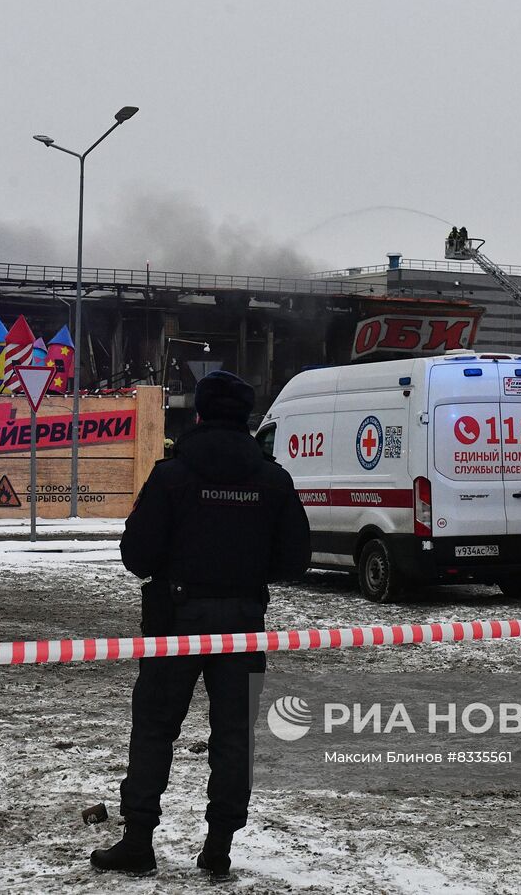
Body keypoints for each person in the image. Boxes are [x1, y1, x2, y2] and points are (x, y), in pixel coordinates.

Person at [92, 370, 310, 880]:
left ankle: (139, 841)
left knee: (153, 731)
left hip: (175, 620)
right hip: (243, 622)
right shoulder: (273, 478)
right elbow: (295, 560)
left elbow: (136, 554)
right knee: (234, 736)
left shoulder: (172, 475)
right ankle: (218, 850)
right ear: (248, 419)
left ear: (199, 415)